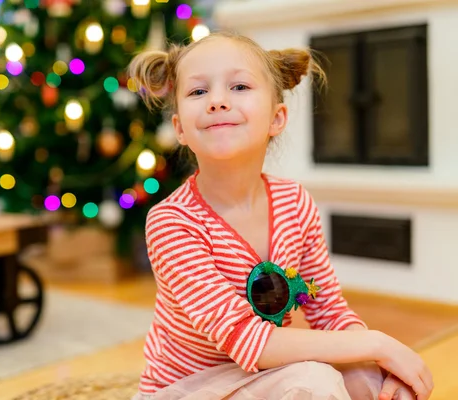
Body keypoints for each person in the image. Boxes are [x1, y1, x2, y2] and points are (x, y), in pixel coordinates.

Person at [126, 31, 434, 400]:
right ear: (180, 130)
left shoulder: (294, 202)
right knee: (315, 381)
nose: (218, 101)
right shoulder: (172, 223)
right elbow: (247, 339)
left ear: (277, 118)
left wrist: (381, 370)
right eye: (198, 92)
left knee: (366, 377)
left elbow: (329, 311)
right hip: (187, 390)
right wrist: (380, 344)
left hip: (263, 378)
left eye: (239, 86)